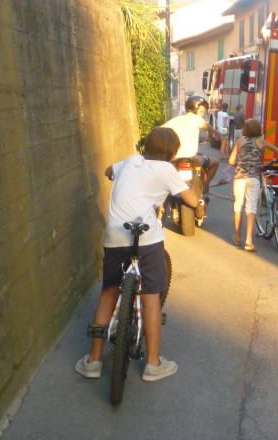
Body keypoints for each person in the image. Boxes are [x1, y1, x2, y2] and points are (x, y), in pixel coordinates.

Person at [75, 127, 201, 382]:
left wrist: (119, 175)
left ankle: (93, 361)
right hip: (147, 239)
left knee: (109, 292)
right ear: (172, 153)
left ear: (145, 147)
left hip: (116, 236)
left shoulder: (131, 161)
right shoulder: (168, 170)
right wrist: (198, 203)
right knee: (151, 297)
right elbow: (191, 201)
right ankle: (153, 364)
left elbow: (107, 171)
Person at [228, 119, 278, 251]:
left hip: (239, 178)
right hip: (253, 179)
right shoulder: (260, 142)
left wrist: (238, 163)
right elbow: (276, 150)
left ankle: (237, 235)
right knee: (251, 208)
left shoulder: (239, 142)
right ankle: (248, 241)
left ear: (245, 130)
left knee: (238, 205)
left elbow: (231, 161)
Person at [163, 95, 219, 192]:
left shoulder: (176, 120)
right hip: (192, 159)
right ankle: (204, 187)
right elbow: (210, 129)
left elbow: (160, 129)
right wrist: (209, 137)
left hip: (174, 159)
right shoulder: (197, 119)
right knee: (215, 163)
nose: (203, 113)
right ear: (196, 109)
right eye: (202, 111)